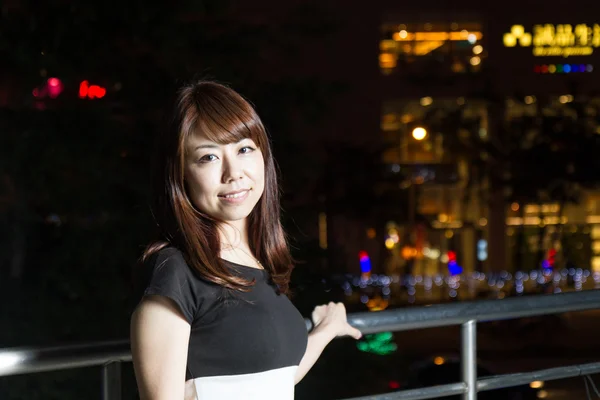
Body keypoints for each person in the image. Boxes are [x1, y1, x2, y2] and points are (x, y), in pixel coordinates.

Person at [130, 81, 362, 400]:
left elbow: (274, 381)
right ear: (181, 174)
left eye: (244, 149)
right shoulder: (176, 270)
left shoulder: (255, 260)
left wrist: (324, 332)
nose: (233, 173)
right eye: (209, 157)